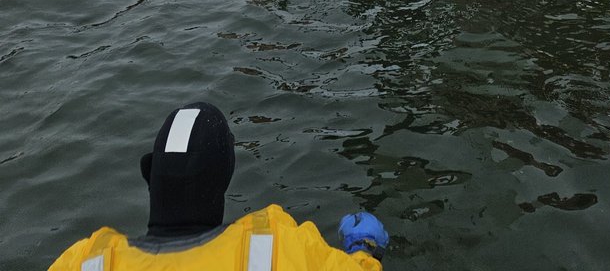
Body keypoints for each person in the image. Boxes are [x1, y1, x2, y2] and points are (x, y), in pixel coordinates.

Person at [48, 100, 388, 270]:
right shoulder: (277, 248)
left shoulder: (86, 261)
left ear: (149, 175)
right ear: (225, 176)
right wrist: (364, 249)